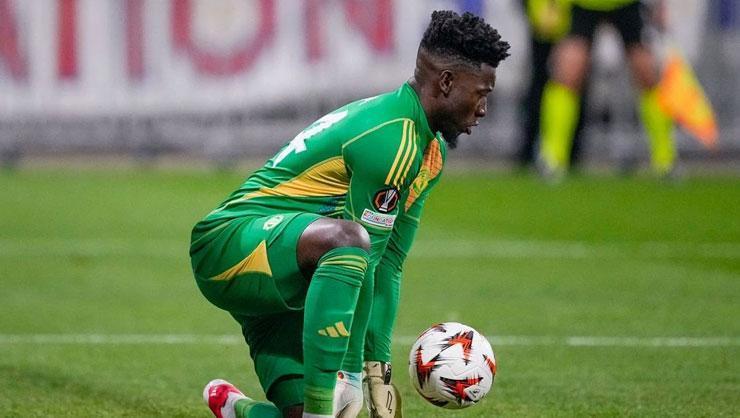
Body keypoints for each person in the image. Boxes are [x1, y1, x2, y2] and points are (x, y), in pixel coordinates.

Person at [189, 10, 510, 418]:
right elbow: (362, 255)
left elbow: (389, 263)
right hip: (229, 244)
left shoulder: (430, 151)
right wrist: (351, 372)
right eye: (481, 93)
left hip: (291, 272)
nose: (483, 109)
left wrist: (378, 373)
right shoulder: (393, 138)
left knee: (306, 408)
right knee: (350, 241)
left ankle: (236, 407)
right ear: (446, 82)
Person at [538, 0, 676, 178]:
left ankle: (665, 159)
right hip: (584, 4)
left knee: (647, 72)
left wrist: (659, 5)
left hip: (626, 4)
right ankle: (552, 158)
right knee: (568, 70)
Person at [518, 0, 589, 170]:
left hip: (569, 14)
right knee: (543, 81)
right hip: (545, 13)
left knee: (572, 79)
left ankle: (565, 152)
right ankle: (540, 152)